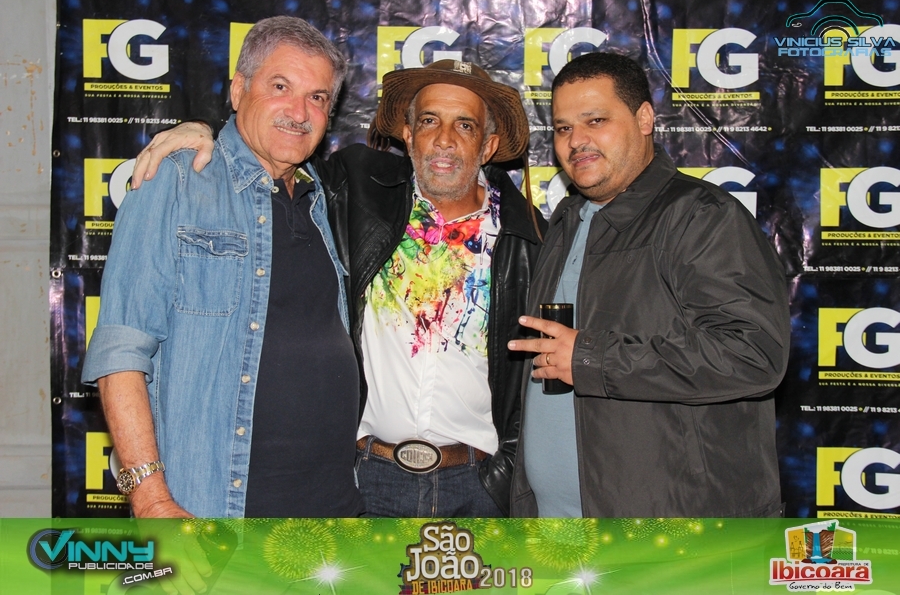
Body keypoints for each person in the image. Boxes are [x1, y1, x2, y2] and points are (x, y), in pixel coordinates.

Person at [131, 59, 546, 517]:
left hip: (478, 486)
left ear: (487, 146)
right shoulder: (356, 190)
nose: (444, 139)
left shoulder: (530, 239)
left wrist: (503, 477)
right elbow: (273, 143)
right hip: (367, 480)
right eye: (429, 120)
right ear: (408, 135)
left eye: (464, 125)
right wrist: (202, 127)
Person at [82, 16, 364, 519]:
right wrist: (151, 502)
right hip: (215, 516)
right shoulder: (176, 182)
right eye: (280, 87)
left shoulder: (330, 200)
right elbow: (120, 353)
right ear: (238, 90)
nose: (299, 112)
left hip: (335, 516)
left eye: (318, 97)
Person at [507, 52, 790, 518]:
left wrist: (592, 358)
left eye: (596, 120)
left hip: (664, 533)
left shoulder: (701, 216)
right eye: (562, 128)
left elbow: (754, 354)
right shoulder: (566, 220)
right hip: (553, 524)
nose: (577, 141)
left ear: (643, 119)